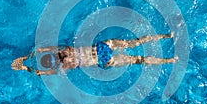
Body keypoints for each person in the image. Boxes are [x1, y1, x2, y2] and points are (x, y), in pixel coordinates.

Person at [11, 33, 178, 76]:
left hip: (103, 58)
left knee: (138, 59)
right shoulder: (63, 50)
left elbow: (44, 72)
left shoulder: (64, 66)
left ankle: (169, 60)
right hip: (101, 48)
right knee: (134, 43)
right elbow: (43, 50)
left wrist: (26, 67)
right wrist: (28, 57)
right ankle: (166, 37)